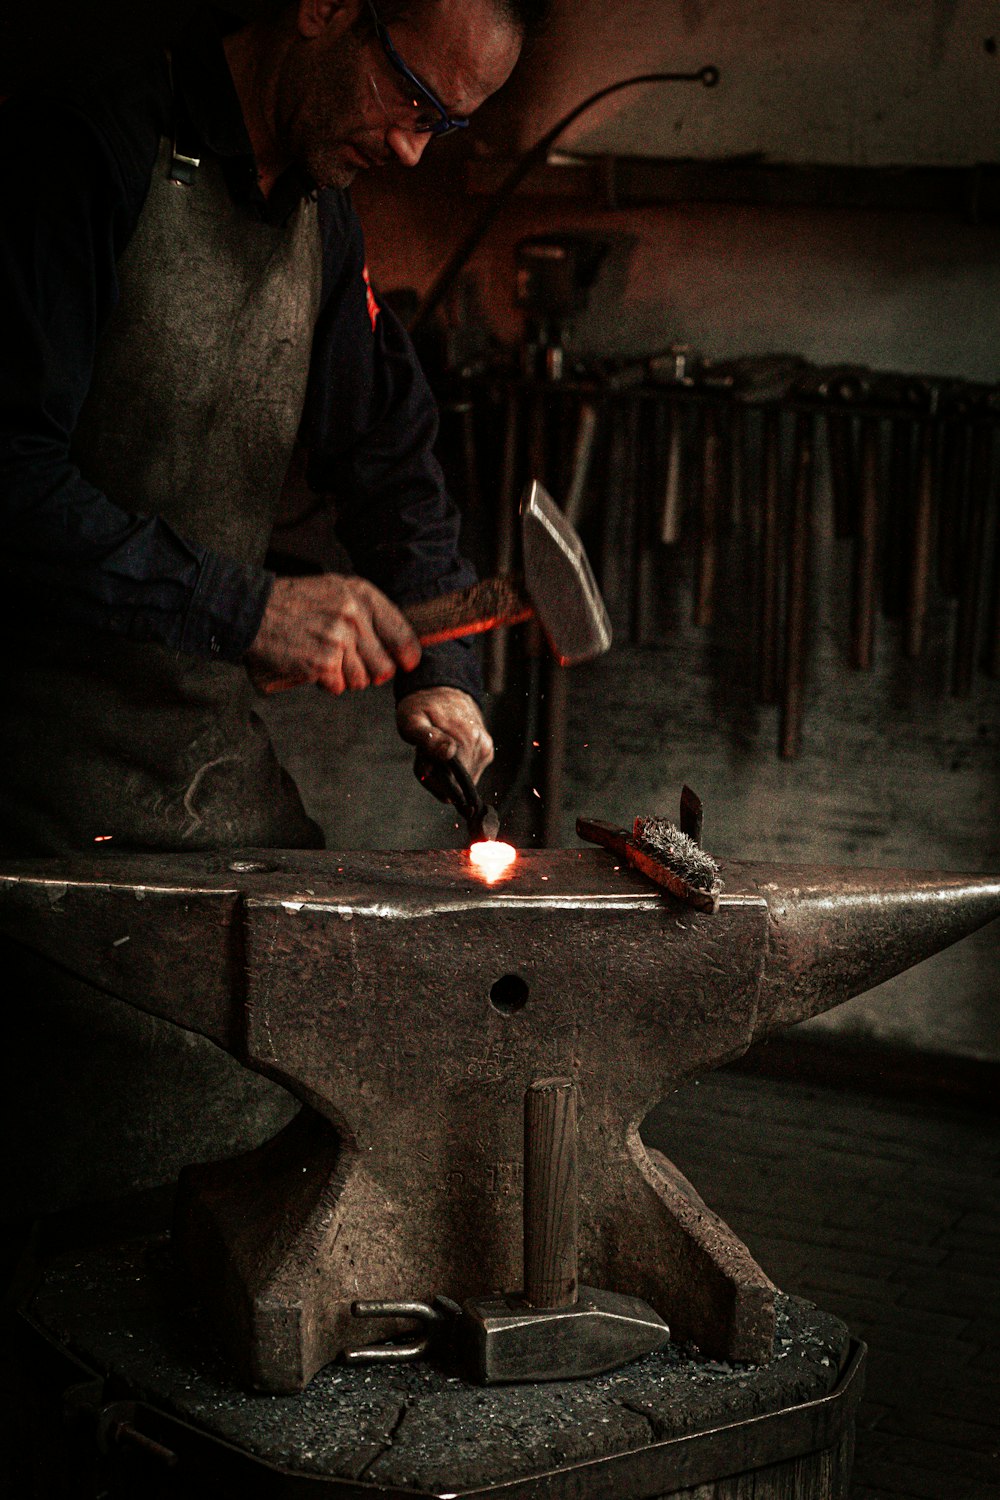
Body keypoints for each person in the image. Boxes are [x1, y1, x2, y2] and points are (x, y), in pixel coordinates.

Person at [0, 0, 545, 1215]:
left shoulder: (317, 207)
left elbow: (390, 453)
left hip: (186, 758)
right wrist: (245, 607)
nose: (415, 148)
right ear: (324, 8)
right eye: (410, 96)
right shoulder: (85, 148)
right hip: (26, 762)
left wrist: (440, 667)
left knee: (319, 1012)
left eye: (446, 124)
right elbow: (8, 475)